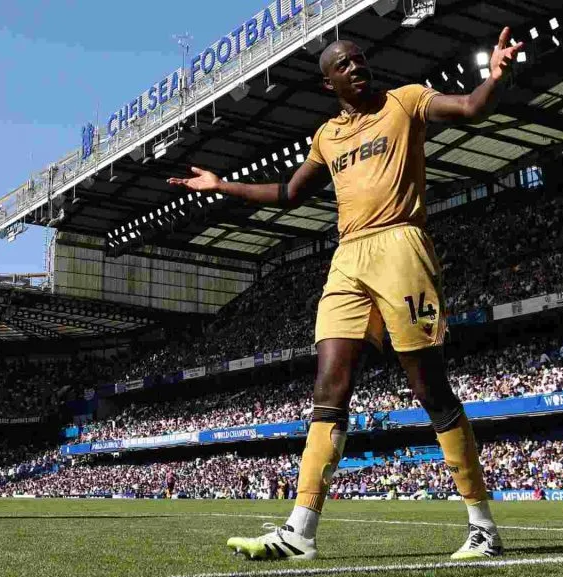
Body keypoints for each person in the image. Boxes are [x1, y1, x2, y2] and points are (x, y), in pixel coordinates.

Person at [169, 27, 523, 561]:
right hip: (347, 257)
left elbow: (471, 109)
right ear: (327, 80)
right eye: (344, 63)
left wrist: (493, 76)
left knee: (431, 389)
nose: (356, 66)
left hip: (401, 247)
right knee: (329, 388)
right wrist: (221, 186)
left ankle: (483, 527)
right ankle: (300, 532)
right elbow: (288, 193)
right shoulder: (327, 136)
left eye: (360, 59)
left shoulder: (406, 101)